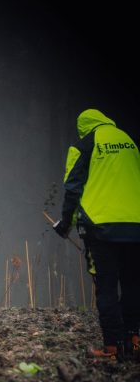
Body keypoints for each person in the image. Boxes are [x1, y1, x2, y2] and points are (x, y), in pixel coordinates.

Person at [53, 108, 140, 361]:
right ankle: (134, 340)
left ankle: (111, 348)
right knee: (133, 283)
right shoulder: (129, 141)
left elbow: (73, 188)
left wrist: (65, 223)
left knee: (106, 287)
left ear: (84, 126)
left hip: (101, 227)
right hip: (135, 225)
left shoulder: (84, 144)